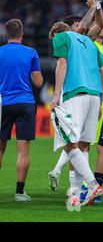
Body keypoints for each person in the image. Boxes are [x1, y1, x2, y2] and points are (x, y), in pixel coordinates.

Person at [51, 19, 103, 208]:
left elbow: (61, 63)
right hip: (94, 96)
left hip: (75, 94)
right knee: (82, 147)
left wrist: (56, 94)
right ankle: (75, 197)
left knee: (69, 144)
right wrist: (99, 102)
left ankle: (93, 185)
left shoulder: (61, 37)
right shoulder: (91, 44)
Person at [0, 19, 43, 201]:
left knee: (0, 148)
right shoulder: (31, 53)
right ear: (22, 34)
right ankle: (19, 192)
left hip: (3, 103)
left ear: (6, 34)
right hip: (25, 102)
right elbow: (39, 82)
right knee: (23, 149)